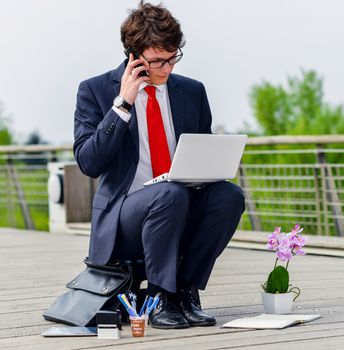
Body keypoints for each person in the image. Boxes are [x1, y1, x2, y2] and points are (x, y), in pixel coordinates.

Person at [73, 1, 245, 329]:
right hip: (125, 216)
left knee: (229, 196)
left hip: (177, 203)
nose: (166, 69)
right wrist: (122, 104)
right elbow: (88, 162)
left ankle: (185, 291)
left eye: (172, 58)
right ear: (134, 57)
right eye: (157, 61)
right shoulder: (95, 90)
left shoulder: (192, 91)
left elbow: (201, 154)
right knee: (170, 194)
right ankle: (159, 297)